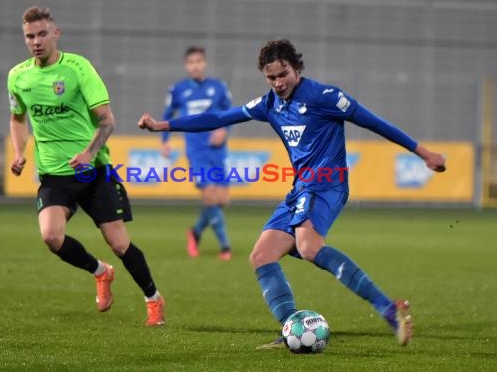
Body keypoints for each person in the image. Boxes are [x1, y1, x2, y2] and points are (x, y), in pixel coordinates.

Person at [138, 39, 447, 345]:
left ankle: (388, 309)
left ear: (296, 68)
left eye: (282, 74)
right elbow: (218, 118)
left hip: (328, 183)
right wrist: (163, 126)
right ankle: (291, 329)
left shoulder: (325, 96)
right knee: (262, 256)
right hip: (300, 189)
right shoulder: (269, 104)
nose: (277, 82)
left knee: (309, 247)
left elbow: (376, 124)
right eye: (270, 77)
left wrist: (423, 153)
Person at [8, 6, 165, 326]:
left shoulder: (79, 69)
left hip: (94, 171)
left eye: (41, 34)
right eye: (29, 36)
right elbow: (17, 117)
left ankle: (153, 298)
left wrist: (89, 152)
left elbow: (107, 121)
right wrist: (19, 151)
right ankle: (101, 272)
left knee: (119, 243)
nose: (35, 41)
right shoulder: (18, 76)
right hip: (54, 173)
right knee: (51, 236)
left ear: (55, 33)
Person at [161, 46, 233, 260]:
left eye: (199, 61)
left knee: (221, 200)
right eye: (191, 62)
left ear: (205, 63)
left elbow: (231, 113)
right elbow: (167, 114)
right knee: (210, 194)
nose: (195, 65)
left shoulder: (219, 87)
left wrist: (224, 130)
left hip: (218, 150)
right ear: (186, 65)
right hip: (196, 150)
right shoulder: (178, 89)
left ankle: (195, 232)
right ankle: (225, 246)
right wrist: (164, 141)